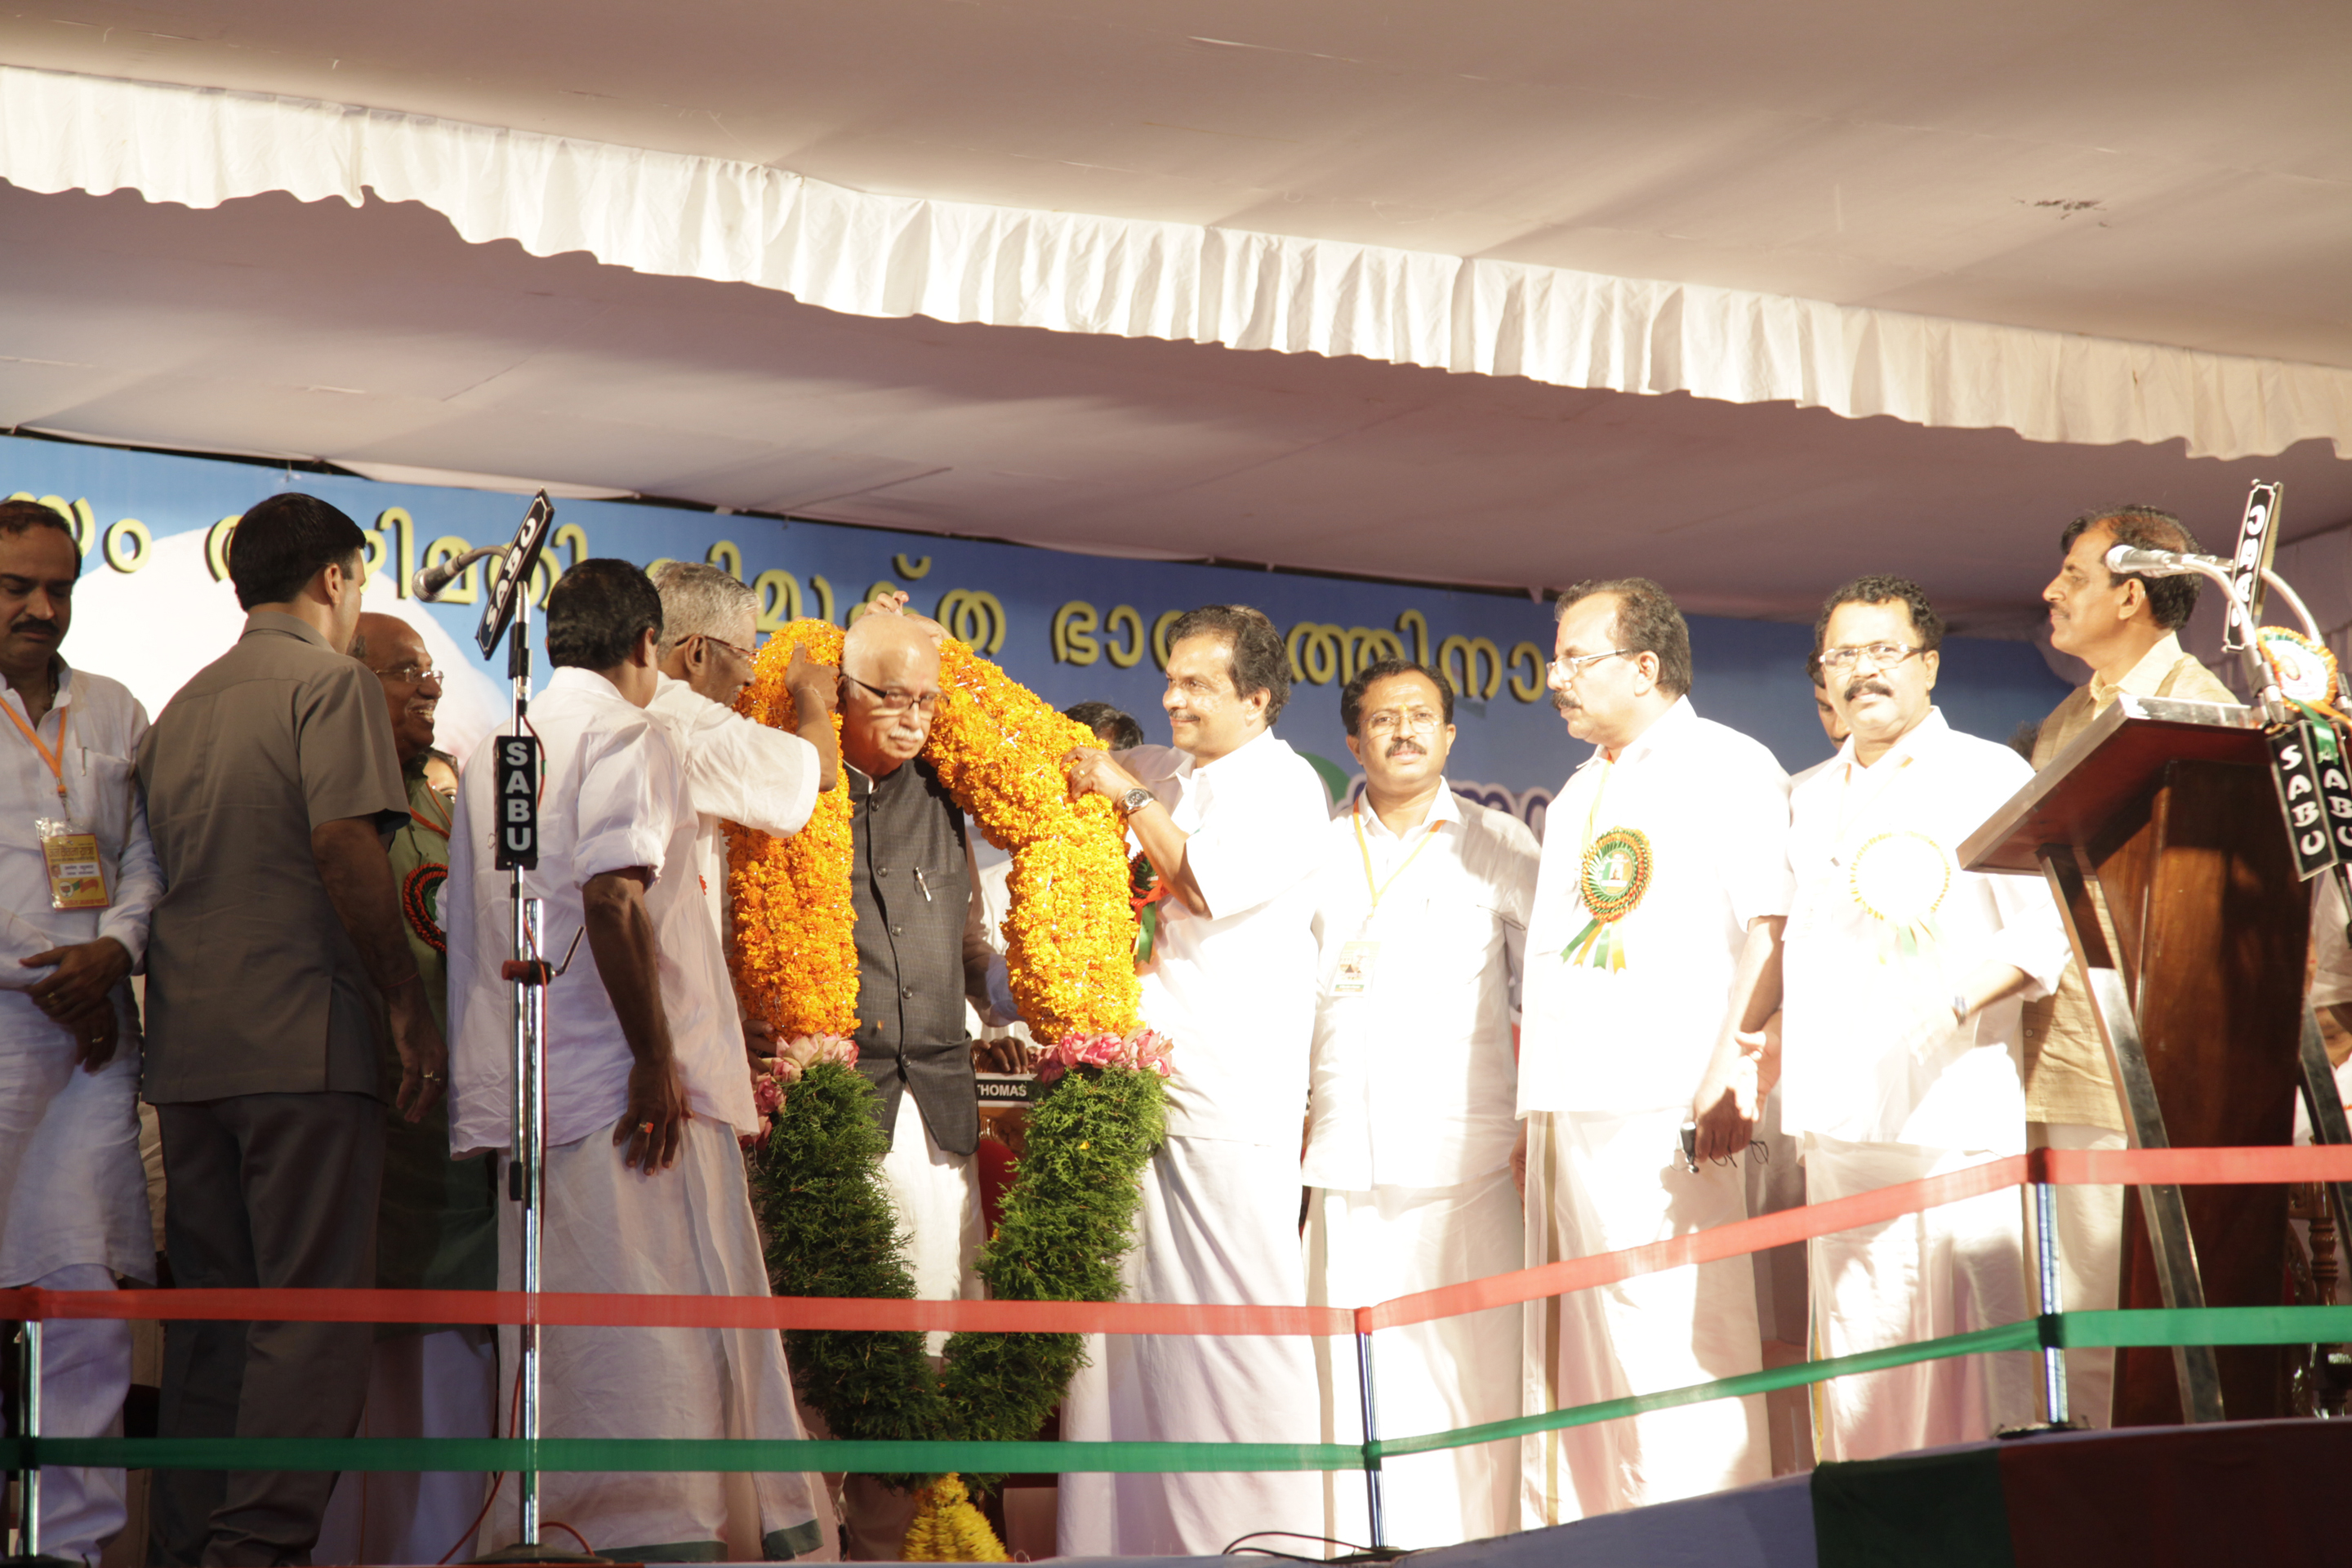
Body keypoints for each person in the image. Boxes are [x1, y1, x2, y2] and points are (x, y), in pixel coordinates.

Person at [446, 559, 827, 1561]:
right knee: (655, 1338)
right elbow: (612, 901)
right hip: (630, 1099)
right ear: (651, 646)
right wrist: (652, 1061)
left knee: (564, 1341)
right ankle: (662, 1539)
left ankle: (561, 1535)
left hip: (538, 1091)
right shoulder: (629, 732)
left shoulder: (503, 747)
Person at [138, 492, 441, 1566]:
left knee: (214, 1323)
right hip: (304, 1044)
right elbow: (343, 847)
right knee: (308, 1319)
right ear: (334, 578)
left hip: (186, 1055)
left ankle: (185, 1550)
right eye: (359, 584)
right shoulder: (331, 683)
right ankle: (255, 1553)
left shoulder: (183, 705)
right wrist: (406, 1006)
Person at [1057, 604, 1332, 1558]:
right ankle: (1128, 1542)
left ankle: (1269, 1540)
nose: (1173, 699)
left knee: (1234, 1327)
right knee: (1130, 1336)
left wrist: (1122, 790)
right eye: (1169, 681)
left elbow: (1202, 883)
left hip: (1229, 1094)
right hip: (1142, 1085)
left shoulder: (1288, 788)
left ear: (1257, 698)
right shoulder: (1172, 771)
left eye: (1199, 686)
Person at [1780, 575, 2070, 1463]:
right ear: (1823, 677)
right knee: (1860, 1373)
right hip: (1837, 1127)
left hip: (1950, 1119)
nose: (1863, 673)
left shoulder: (1987, 771)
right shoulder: (1803, 793)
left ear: (1929, 665)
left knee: (1983, 1368)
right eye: (1843, 657)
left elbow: (2048, 919)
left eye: (1884, 652)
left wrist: (1954, 1001)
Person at [1514, 578, 1783, 1523]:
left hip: (1670, 1102)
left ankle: (1711, 1538)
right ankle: (1613, 1539)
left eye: (1577, 658)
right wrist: (1533, 1107)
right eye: (1556, 659)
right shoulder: (1587, 782)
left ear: (1645, 666)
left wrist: (1733, 1064)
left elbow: (1772, 922)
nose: (1559, 679)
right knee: (1595, 1351)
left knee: (1681, 1335)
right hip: (1571, 1104)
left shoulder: (1727, 763)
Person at [1303, 657, 1535, 1547]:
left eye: (1421, 716)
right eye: (1383, 718)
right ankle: (1368, 1546)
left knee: (1473, 1368)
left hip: (1465, 1162)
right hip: (1347, 1160)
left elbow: (1549, 987)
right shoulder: (1317, 850)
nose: (1403, 731)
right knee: (1357, 1376)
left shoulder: (1499, 843)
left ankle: (1490, 1546)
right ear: (1353, 738)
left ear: (1448, 735)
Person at [2026, 506, 2234, 1426]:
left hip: (2164, 1067)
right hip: (2066, 1055)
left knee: (2161, 1331)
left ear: (2133, 591)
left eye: (2073, 575)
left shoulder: (2206, 712)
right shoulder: (2064, 721)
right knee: (2081, 1326)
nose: (2050, 592)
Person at [803, 603, 999, 1558]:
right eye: (892, 696)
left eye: (927, 698)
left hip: (938, 1115)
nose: (915, 715)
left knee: (929, 1345)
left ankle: (896, 1545)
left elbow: (972, 948)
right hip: (832, 1118)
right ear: (839, 697)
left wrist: (1003, 1013)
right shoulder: (796, 791)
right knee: (827, 1358)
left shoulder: (947, 796)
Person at [314, 612, 497, 1567]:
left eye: (431, 672)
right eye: (402, 674)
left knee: (452, 1350)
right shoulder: (323, 801)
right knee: (353, 1347)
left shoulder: (453, 797)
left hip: (455, 1132)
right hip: (358, 1109)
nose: (429, 688)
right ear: (344, 685)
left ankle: (446, 1547)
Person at [0, 498, 160, 1564]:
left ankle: (74, 1547)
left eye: (59, 587)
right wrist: (44, 975)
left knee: (82, 1298)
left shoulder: (111, 708)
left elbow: (143, 854)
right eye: (17, 587)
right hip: (11, 1024)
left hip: (96, 1041)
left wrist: (116, 952)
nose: (42, 607)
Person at [646, 563, 837, 1080]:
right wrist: (809, 694)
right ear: (699, 651)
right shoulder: (682, 718)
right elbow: (821, 770)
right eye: (747, 653)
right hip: (663, 1041)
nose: (753, 675)